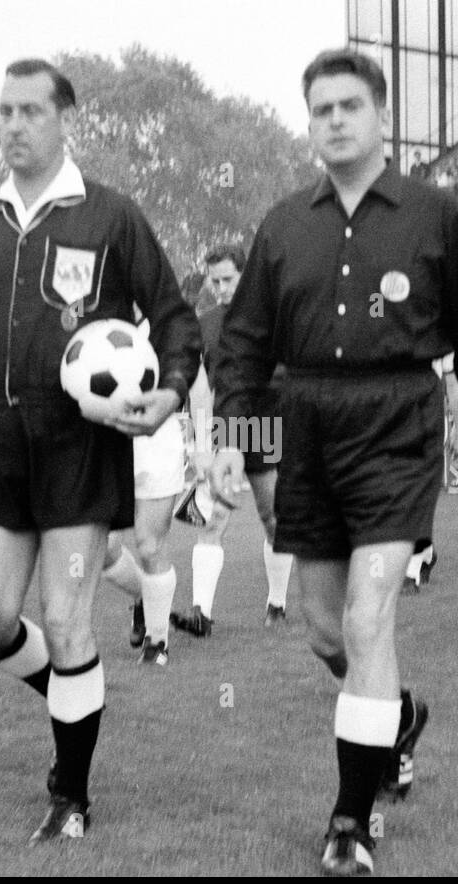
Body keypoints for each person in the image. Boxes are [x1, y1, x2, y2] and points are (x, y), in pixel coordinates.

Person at [210, 49, 458, 877]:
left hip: (398, 422)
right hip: (304, 425)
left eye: (350, 105)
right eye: (320, 109)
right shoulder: (283, 225)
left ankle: (350, 820)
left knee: (367, 616)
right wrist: (236, 444)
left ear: (382, 117)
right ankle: (397, 715)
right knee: (324, 628)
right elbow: (244, 350)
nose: (335, 120)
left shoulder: (436, 215)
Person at [0, 59, 201, 844]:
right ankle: (75, 691)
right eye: (4, 111)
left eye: (30, 110)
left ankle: (72, 794)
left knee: (66, 619)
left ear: (66, 120)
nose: (14, 125)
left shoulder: (110, 217)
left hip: (77, 446)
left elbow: (171, 316)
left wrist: (169, 389)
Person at [171, 245, 292, 636]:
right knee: (215, 518)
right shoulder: (204, 323)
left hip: (266, 424)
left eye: (228, 279)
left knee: (271, 518)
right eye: (215, 280)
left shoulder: (272, 319)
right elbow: (200, 386)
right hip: (228, 429)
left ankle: (277, 603)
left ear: (245, 276)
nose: (221, 287)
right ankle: (201, 615)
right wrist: (203, 441)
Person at [101, 318, 183, 668]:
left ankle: (158, 642)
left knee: (150, 545)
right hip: (105, 445)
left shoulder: (168, 325)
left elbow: (196, 387)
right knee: (102, 549)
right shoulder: (94, 320)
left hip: (156, 445)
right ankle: (142, 598)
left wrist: (208, 445)